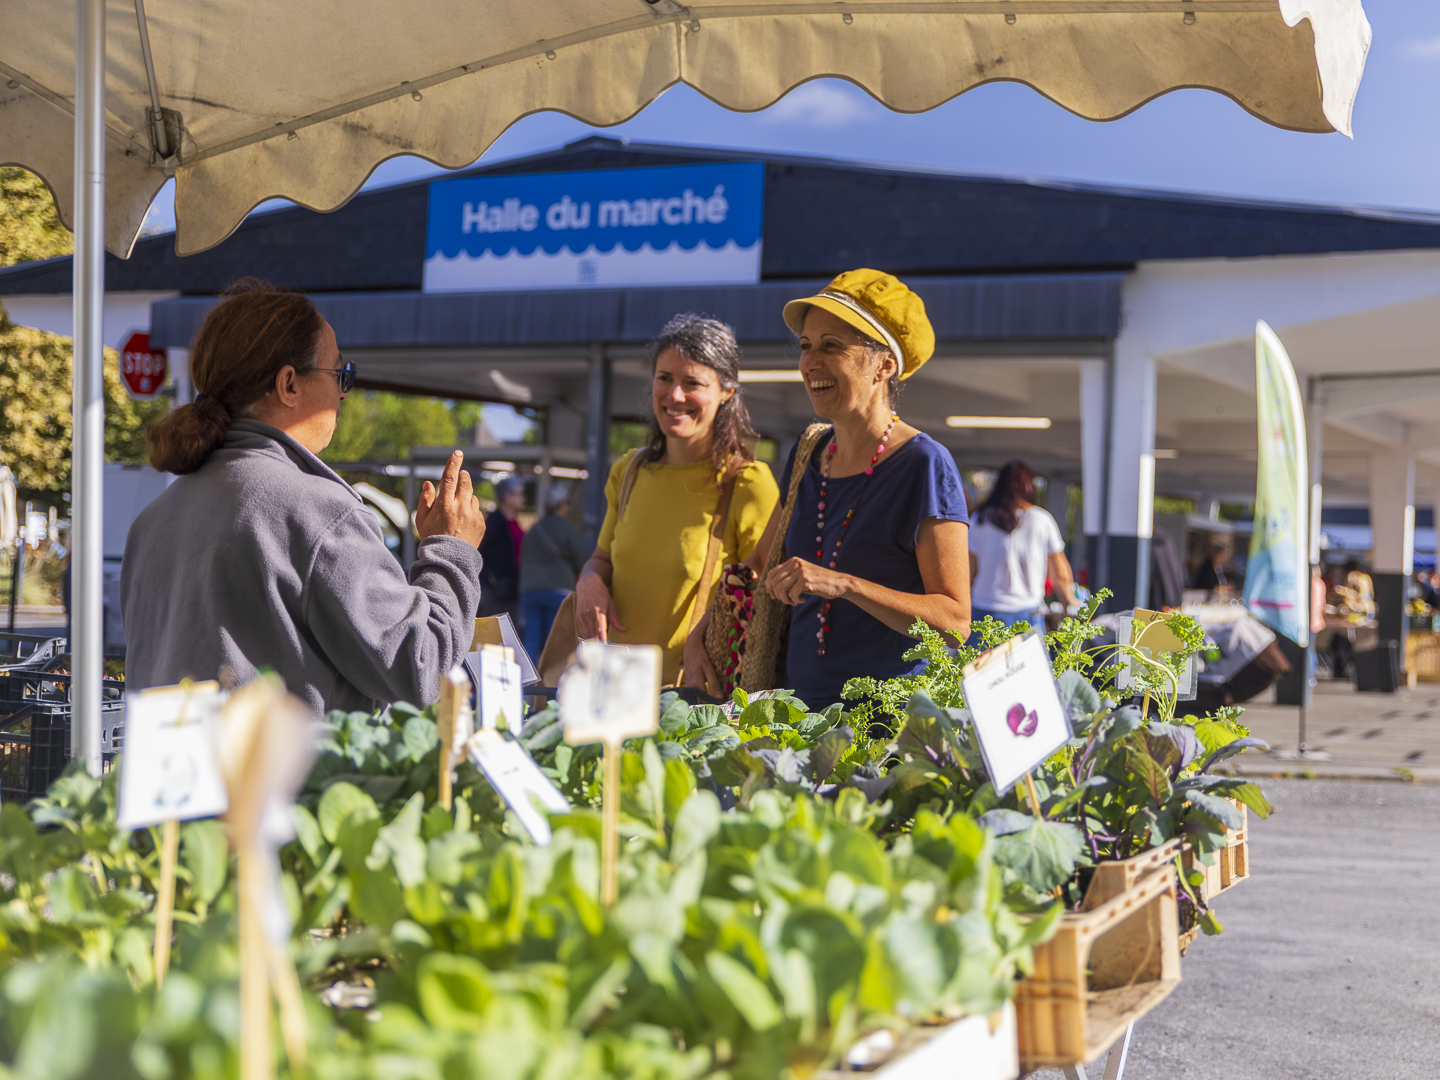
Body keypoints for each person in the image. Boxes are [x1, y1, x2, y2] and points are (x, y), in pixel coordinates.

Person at [122, 280, 485, 717]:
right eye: (340, 373)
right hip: (286, 784)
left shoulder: (153, 520)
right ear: (289, 384)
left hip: (170, 781)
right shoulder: (317, 510)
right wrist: (452, 550)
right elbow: (422, 668)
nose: (344, 392)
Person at [685, 269, 971, 708]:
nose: (809, 362)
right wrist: (701, 632)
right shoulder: (810, 449)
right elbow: (763, 560)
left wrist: (843, 585)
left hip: (882, 728)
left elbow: (954, 622)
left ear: (884, 365)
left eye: (831, 346)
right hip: (795, 717)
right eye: (805, 346)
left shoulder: (924, 464)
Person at [575, 314, 779, 685]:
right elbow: (602, 560)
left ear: (726, 392)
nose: (675, 396)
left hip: (693, 701)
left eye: (692, 383)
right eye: (664, 379)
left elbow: (763, 601)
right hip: (612, 690)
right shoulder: (628, 471)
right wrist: (589, 581)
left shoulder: (748, 483)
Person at [967, 461, 1076, 634]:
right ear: (1029, 486)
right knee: (1033, 661)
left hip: (984, 610)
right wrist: (1069, 604)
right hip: (1027, 612)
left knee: (978, 661)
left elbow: (968, 571)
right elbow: (1059, 572)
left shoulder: (980, 519)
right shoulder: (1042, 519)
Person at [519, 483, 586, 660]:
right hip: (558, 590)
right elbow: (582, 560)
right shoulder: (567, 528)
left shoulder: (534, 530)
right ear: (562, 505)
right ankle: (548, 685)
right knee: (554, 641)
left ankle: (527, 684)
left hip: (530, 590)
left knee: (531, 639)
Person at [478, 475, 525, 621]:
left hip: (511, 586)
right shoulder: (495, 521)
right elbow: (480, 550)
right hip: (497, 588)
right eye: (519, 494)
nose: (523, 498)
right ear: (507, 496)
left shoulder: (514, 520)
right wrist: (490, 579)